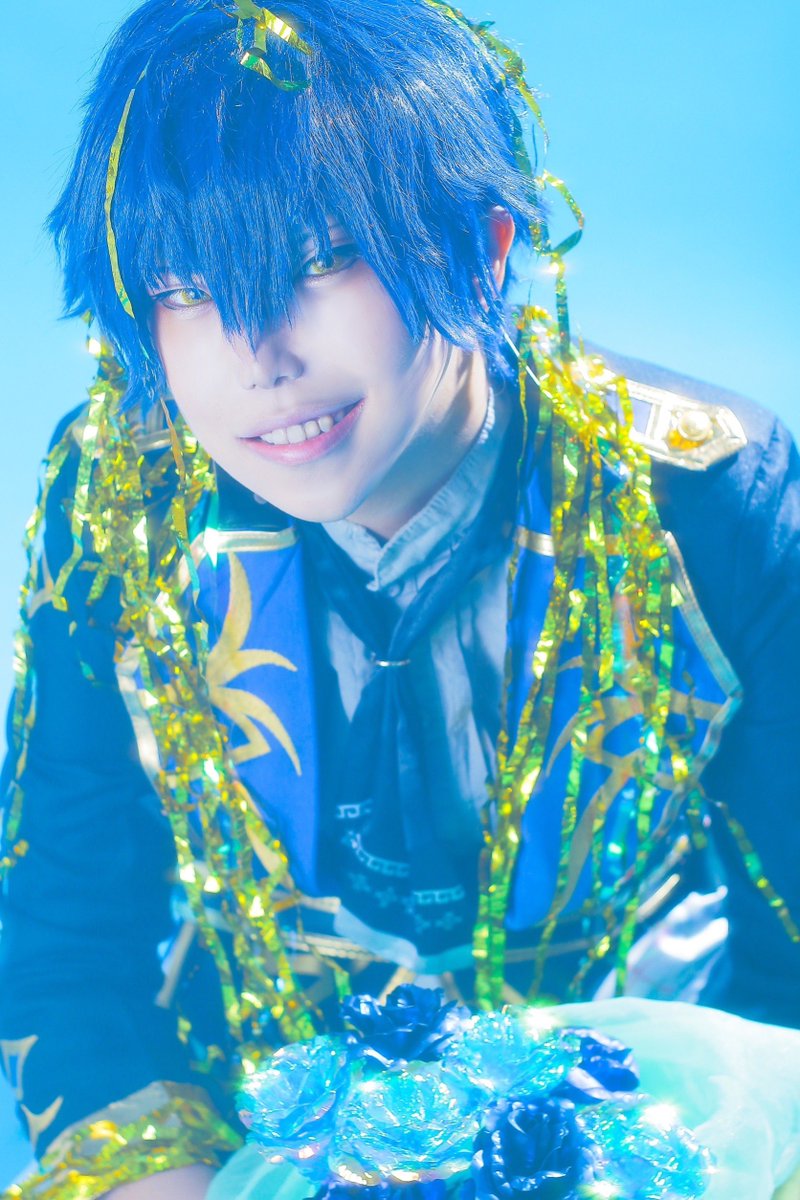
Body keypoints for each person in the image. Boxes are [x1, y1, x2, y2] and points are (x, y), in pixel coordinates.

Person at [0, 0, 798, 1196]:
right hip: (242, 1141)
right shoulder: (121, 497)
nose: (258, 359)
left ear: (481, 245)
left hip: (662, 1130)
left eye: (320, 261)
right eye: (184, 287)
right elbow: (67, 943)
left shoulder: (697, 496)